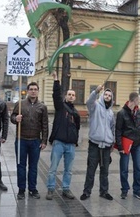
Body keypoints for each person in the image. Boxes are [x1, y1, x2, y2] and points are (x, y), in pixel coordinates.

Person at [10, 82, 49, 200]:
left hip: (35, 141)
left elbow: (45, 125)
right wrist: (15, 118)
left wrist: (44, 141)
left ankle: (33, 189)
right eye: (31, 89)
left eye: (35, 89)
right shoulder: (20, 104)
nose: (33, 91)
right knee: (21, 166)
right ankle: (21, 189)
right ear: (27, 91)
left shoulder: (42, 107)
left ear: (38, 91)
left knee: (33, 166)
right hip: (21, 140)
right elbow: (12, 117)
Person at [46, 71, 80, 200]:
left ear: (75, 97)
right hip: (59, 143)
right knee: (53, 168)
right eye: (69, 94)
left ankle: (66, 189)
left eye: (73, 95)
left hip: (70, 145)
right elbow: (56, 95)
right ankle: (50, 189)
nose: (71, 96)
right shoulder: (61, 107)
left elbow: (77, 127)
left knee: (68, 170)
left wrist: (75, 140)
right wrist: (56, 80)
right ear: (66, 96)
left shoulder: (75, 112)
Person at [80, 85, 115, 201]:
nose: (107, 96)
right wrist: (96, 91)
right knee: (91, 169)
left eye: (109, 95)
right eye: (106, 94)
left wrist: (112, 141)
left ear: (111, 98)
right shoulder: (95, 106)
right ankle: (86, 191)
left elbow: (112, 127)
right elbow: (89, 102)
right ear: (102, 95)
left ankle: (104, 191)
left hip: (106, 146)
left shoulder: (110, 112)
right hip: (95, 144)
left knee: (104, 171)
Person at [115, 92, 140, 200]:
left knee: (138, 168)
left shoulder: (139, 112)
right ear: (133, 100)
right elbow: (118, 131)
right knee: (124, 168)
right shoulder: (122, 113)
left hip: (137, 144)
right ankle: (124, 189)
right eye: (139, 100)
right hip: (126, 144)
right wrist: (120, 147)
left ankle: (137, 190)